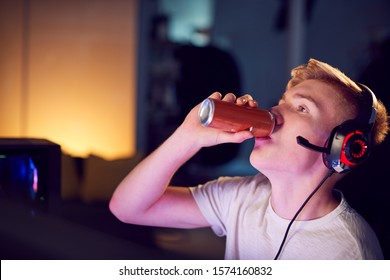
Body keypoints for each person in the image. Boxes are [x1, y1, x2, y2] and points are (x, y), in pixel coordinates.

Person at [109, 58, 389, 259]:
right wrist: (187, 136)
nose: (275, 112)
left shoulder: (349, 252)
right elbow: (127, 208)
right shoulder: (243, 197)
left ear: (340, 148)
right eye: (282, 101)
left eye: (302, 108)